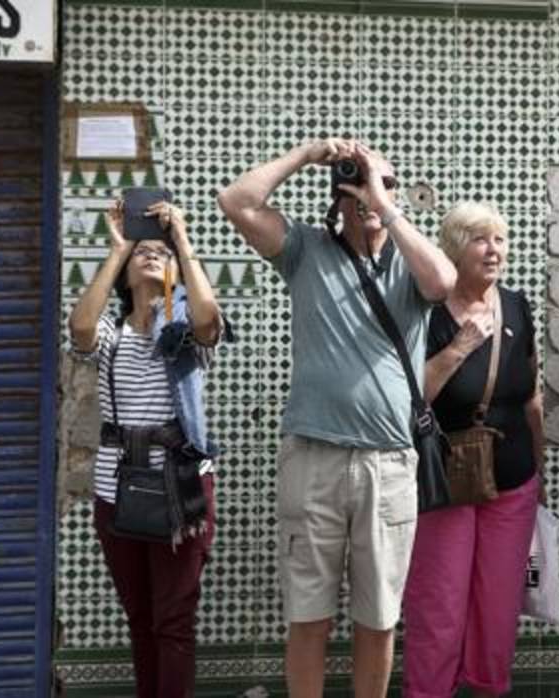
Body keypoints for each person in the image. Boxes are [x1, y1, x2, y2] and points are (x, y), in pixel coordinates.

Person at [216, 138, 457, 698]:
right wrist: (306, 155)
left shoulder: (410, 262)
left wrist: (383, 198)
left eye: (388, 181)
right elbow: (236, 202)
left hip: (389, 465)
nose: (374, 191)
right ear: (339, 197)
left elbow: (444, 283)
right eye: (361, 183)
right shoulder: (306, 250)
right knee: (309, 615)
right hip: (314, 459)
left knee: (378, 619)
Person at [68, 197, 224, 698]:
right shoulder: (111, 334)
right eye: (143, 252)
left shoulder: (182, 332)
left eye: (162, 252)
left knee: (173, 620)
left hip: (180, 487)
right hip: (117, 489)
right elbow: (80, 328)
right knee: (140, 617)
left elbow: (208, 319)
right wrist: (118, 247)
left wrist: (182, 241)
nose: (151, 255)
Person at [401, 202, 544, 698]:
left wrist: (540, 476)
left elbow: (532, 398)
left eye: (500, 240)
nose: (494, 250)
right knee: (438, 608)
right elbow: (409, 395)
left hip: (513, 484)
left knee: (498, 611)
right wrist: (461, 345)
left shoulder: (519, 306)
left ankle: (489, 689)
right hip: (444, 486)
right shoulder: (427, 314)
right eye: (481, 239)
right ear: (454, 250)